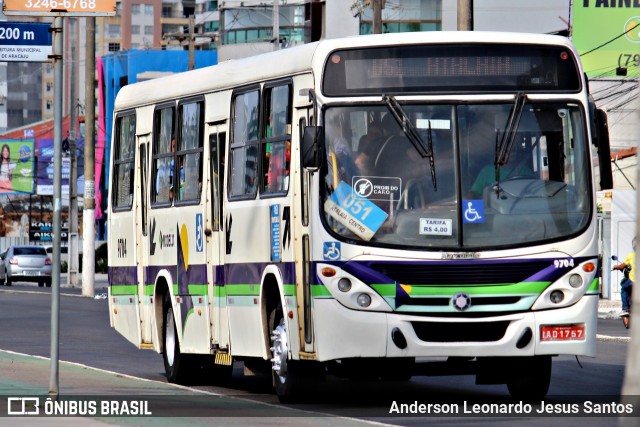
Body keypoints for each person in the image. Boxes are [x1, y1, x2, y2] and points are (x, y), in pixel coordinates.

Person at [613, 237, 635, 318]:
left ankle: (625, 309)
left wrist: (616, 267)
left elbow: (622, 265)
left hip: (634, 280)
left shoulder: (632, 255)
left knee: (624, 289)